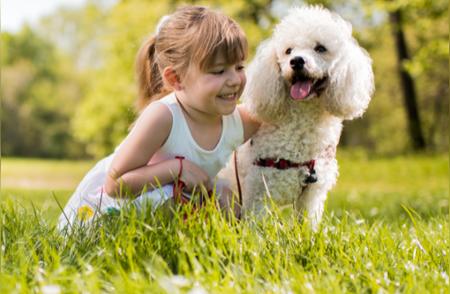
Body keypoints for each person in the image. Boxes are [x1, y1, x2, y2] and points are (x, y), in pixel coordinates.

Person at [58, 5, 260, 230]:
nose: (234, 79)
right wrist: (177, 169)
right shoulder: (164, 116)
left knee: (225, 196)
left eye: (239, 66)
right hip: (116, 209)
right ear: (176, 79)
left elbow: (282, 114)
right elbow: (115, 185)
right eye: (219, 71)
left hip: (176, 207)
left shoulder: (238, 120)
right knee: (170, 195)